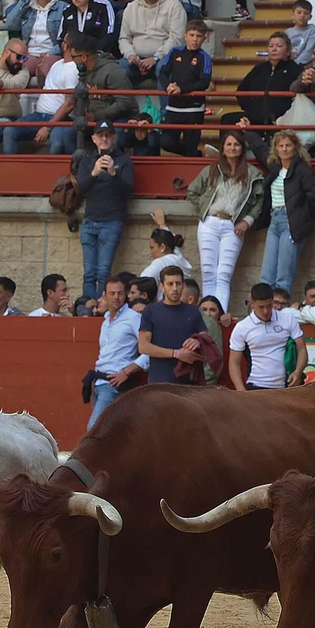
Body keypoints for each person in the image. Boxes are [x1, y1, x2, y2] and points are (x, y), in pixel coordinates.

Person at [184, 130, 265, 308]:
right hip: (209, 223)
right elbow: (192, 191)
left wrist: (247, 221)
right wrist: (204, 207)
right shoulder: (212, 170)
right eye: (229, 144)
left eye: (236, 144)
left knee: (224, 274)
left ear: (242, 148)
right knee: (208, 271)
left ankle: (219, 313)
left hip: (233, 225)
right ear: (223, 148)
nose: (232, 148)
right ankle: (208, 313)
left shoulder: (252, 173)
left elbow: (259, 201)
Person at [253, 129, 315, 294]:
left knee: (283, 276)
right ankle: (264, 305)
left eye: (288, 145)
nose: (284, 149)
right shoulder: (276, 168)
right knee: (266, 274)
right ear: (276, 149)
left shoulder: (302, 170)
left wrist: (301, 216)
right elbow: (260, 149)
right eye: (281, 146)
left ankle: (280, 307)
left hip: (291, 222)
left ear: (295, 148)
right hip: (274, 221)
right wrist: (247, 131)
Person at [75, 122, 136, 299]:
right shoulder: (87, 160)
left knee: (103, 271)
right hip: (89, 221)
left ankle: (102, 307)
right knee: (89, 272)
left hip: (112, 221)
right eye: (100, 135)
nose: (104, 139)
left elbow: (128, 191)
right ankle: (87, 307)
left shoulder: (124, 160)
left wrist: (113, 173)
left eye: (108, 135)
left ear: (114, 138)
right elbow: (80, 189)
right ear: (94, 139)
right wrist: (94, 173)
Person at [88, 275, 149, 426]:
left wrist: (126, 372)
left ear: (125, 294)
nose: (116, 297)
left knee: (95, 427)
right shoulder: (106, 320)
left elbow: (148, 351)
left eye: (120, 293)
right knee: (107, 429)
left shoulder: (133, 318)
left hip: (114, 384)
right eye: (112, 293)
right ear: (105, 295)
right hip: (99, 381)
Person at [227, 282, 307, 391]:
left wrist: (298, 372)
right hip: (256, 385)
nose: (265, 311)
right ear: (252, 304)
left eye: (269, 306)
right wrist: (241, 389)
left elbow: (302, 349)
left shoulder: (288, 319)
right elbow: (234, 363)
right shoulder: (242, 327)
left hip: (286, 385)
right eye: (261, 307)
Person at [137, 264, 209, 384]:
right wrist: (176, 353)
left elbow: (205, 336)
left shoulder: (193, 311)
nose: (175, 288)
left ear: (183, 285)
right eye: (170, 284)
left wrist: (198, 341)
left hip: (190, 383)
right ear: (162, 287)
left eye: (178, 284)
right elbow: (143, 346)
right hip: (160, 383)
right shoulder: (151, 311)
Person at [119, 0, 187, 86]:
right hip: (136, 61)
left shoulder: (174, 6)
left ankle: (165, 100)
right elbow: (124, 38)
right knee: (118, 69)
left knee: (164, 68)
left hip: (163, 58)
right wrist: (130, 54)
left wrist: (155, 58)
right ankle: (124, 99)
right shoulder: (131, 8)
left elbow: (177, 39)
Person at [158, 19, 213, 155]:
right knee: (165, 142)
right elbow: (163, 73)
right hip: (173, 107)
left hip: (194, 109)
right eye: (192, 35)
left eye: (199, 36)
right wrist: (168, 86)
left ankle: (193, 154)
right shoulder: (174, 52)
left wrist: (181, 89)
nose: (195, 39)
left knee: (190, 146)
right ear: (185, 36)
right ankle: (196, 155)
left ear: (204, 38)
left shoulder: (204, 57)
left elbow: (204, 82)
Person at [1, 0, 69, 81]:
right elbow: (10, 24)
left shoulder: (63, 7)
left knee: (45, 72)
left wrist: (50, 53)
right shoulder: (27, 7)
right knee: (19, 74)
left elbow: (66, 37)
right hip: (30, 53)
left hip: (52, 52)